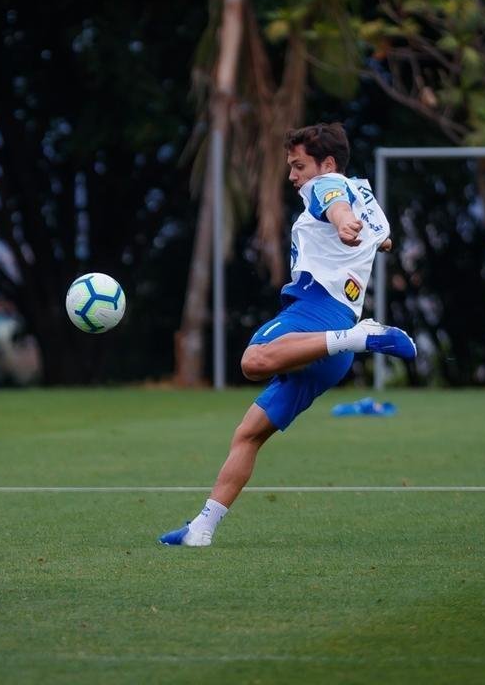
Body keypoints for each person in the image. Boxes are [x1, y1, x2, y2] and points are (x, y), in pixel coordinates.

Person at [160, 123, 416, 547]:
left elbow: (333, 202)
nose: (293, 176)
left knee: (253, 360)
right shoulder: (364, 195)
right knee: (249, 434)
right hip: (325, 348)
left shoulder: (329, 185)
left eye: (299, 166)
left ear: (327, 164)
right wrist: (355, 227)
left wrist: (342, 220)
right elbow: (382, 238)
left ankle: (363, 336)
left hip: (319, 315)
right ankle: (201, 530)